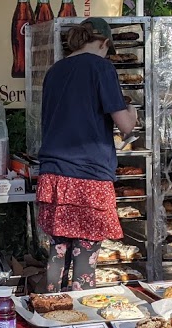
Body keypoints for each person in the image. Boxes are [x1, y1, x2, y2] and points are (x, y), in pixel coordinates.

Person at [36, 18, 137, 292]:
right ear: (104, 42)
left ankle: (50, 308)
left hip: (54, 175)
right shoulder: (102, 67)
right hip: (89, 176)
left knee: (57, 252)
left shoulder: (55, 71)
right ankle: (81, 317)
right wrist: (134, 112)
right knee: (86, 254)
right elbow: (125, 125)